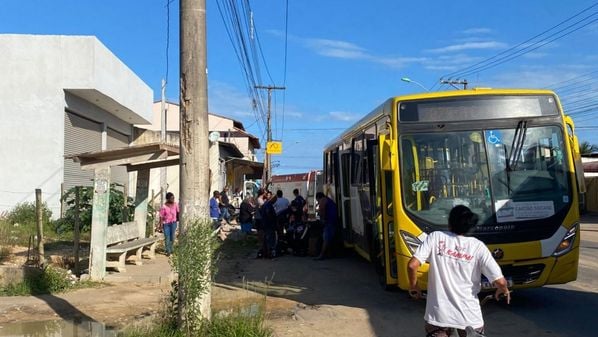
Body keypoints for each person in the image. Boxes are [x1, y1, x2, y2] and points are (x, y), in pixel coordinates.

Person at [407, 205, 511, 337]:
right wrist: (503, 290)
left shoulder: (435, 237)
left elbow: (412, 265)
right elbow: (500, 282)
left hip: (438, 318)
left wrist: (414, 286)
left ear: (450, 223)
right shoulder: (478, 246)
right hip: (470, 320)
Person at [315, 192, 337, 260]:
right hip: (333, 220)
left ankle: (321, 255)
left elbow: (322, 209)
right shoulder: (328, 199)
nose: (318, 201)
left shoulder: (323, 200)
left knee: (325, 238)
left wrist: (322, 219)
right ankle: (329, 254)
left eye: (317, 200)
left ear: (318, 197)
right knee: (329, 238)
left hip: (329, 221)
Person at [159, 192, 179, 256]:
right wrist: (160, 225)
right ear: (168, 199)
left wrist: (178, 219)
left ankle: (171, 248)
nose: (173, 199)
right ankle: (168, 251)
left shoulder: (175, 204)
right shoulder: (164, 206)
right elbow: (161, 216)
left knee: (172, 237)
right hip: (166, 224)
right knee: (167, 237)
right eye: (171, 198)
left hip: (173, 223)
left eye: (173, 198)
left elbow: (178, 212)